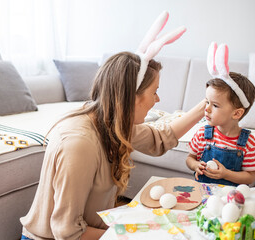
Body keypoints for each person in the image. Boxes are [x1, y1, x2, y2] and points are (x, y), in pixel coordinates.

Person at [20, 12, 205, 240]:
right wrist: (128, 234)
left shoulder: (114, 123)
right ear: (131, 98)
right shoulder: (79, 145)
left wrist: (206, 106)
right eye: (154, 92)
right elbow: (67, 232)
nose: (157, 100)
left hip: (91, 228)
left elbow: (160, 140)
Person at [186, 42, 255, 186]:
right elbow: (189, 158)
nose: (206, 109)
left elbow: (250, 177)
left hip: (230, 197)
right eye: (207, 102)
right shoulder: (202, 134)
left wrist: (226, 174)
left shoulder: (248, 142)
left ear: (237, 113)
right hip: (202, 191)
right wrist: (195, 165)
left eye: (215, 105)